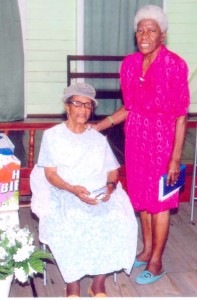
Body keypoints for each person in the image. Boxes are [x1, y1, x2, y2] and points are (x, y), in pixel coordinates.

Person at [93, 5, 190, 285]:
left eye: (152, 30)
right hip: (136, 140)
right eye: (140, 30)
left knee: (160, 202)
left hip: (163, 142)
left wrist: (175, 158)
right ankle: (146, 249)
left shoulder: (175, 65)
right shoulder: (130, 64)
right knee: (142, 201)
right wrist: (101, 125)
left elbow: (181, 118)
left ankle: (157, 262)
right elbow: (129, 108)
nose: (144, 35)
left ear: (163, 35)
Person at [30, 82, 138, 297]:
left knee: (117, 219)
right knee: (70, 222)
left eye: (88, 105)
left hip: (98, 192)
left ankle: (98, 283)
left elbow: (113, 171)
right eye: (77, 103)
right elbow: (50, 175)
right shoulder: (53, 136)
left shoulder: (97, 138)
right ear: (67, 107)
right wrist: (72, 190)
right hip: (65, 192)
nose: (83, 109)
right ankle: (73, 282)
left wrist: (109, 188)